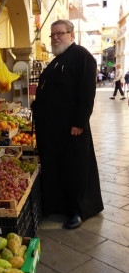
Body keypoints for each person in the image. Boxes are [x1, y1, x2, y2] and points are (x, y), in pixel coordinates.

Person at [33, 19, 103, 230]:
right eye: (52, 35)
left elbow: (87, 92)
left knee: (74, 169)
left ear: (71, 35)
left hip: (71, 129)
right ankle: (58, 206)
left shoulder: (82, 56)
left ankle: (77, 210)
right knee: (56, 167)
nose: (55, 38)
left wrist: (79, 122)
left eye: (60, 34)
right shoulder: (56, 61)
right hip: (52, 130)